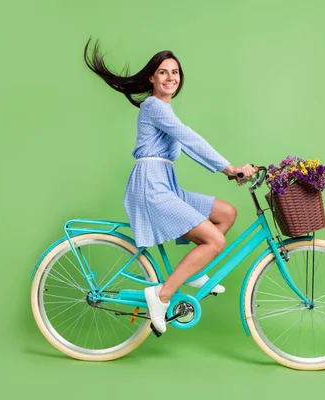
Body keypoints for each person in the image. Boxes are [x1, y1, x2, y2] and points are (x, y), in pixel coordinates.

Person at [83, 39, 258, 333]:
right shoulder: (154, 106)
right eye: (163, 72)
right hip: (151, 186)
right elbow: (189, 138)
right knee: (215, 241)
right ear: (152, 77)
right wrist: (230, 166)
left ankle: (192, 269)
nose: (170, 78)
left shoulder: (165, 111)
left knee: (226, 213)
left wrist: (226, 173)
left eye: (174, 72)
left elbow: (187, 147)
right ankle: (161, 294)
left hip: (166, 184)